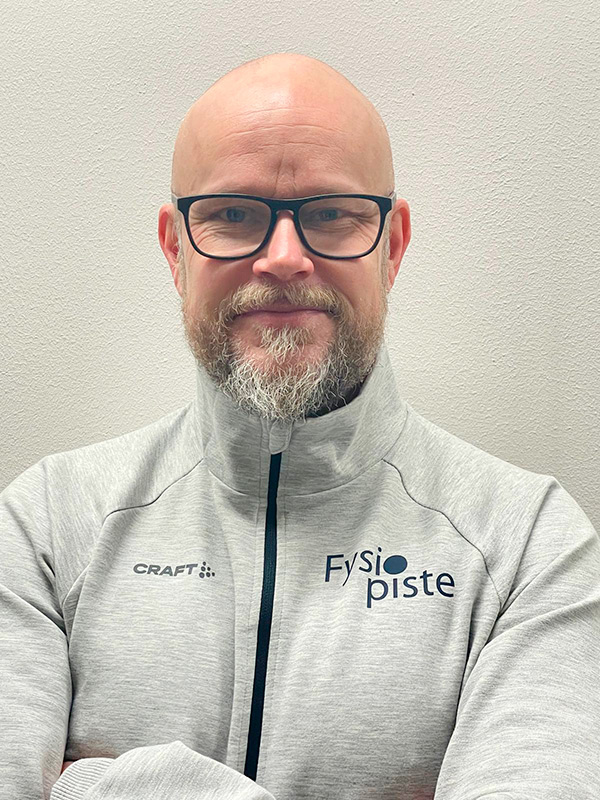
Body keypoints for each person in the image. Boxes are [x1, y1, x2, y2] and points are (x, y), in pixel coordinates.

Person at [1, 52, 599, 800]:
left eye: (331, 214)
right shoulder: (46, 525)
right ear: (176, 248)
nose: (284, 259)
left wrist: (94, 784)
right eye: (232, 215)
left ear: (392, 245)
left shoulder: (529, 543)